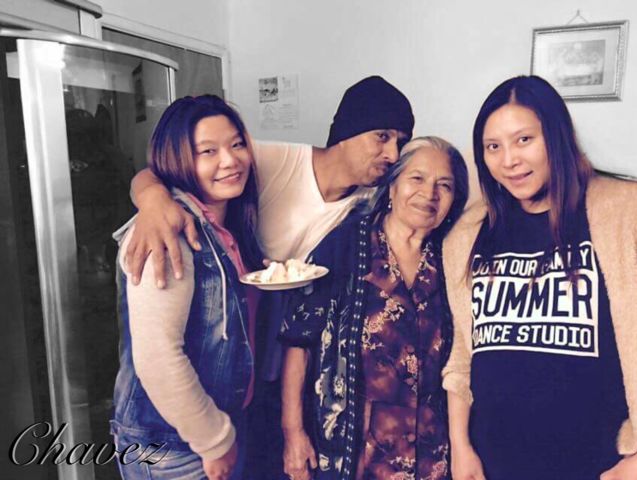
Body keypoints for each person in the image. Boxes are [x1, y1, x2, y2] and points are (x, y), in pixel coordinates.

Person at [120, 76, 415, 479]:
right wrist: (153, 201)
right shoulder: (265, 165)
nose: (392, 153)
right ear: (347, 132)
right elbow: (162, 169)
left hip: (259, 375)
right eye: (382, 136)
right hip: (178, 427)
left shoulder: (371, 201)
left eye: (400, 142)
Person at [442, 75, 637, 480]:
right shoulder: (466, 235)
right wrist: (460, 447)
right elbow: (463, 356)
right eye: (493, 147)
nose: (509, 160)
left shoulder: (625, 210)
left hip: (600, 466)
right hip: (493, 465)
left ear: (557, 136)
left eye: (524, 140)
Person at [280, 136, 469, 480]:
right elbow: (298, 340)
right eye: (416, 178)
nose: (429, 194)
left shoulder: (452, 257)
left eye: (445, 185)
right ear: (392, 186)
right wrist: (293, 432)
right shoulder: (344, 245)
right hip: (353, 453)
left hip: (432, 456)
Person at [111, 95, 263, 480]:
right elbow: (158, 357)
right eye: (207, 151)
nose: (230, 160)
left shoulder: (224, 225)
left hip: (221, 422)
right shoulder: (168, 231)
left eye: (237, 144)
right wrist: (213, 440)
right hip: (175, 444)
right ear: (177, 159)